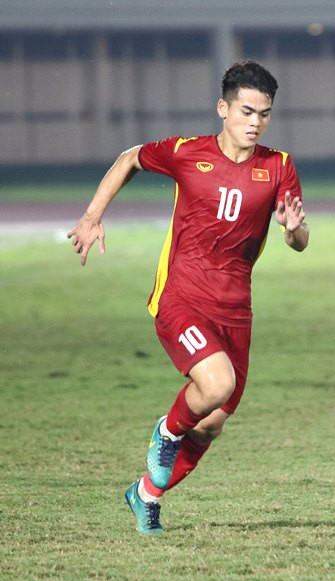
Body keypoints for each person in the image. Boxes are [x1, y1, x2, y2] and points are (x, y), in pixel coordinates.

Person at [67, 60, 309, 533]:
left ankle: (145, 495)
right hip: (180, 298)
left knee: (212, 422)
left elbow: (298, 242)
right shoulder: (186, 152)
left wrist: (294, 230)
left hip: (236, 309)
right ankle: (165, 431)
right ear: (223, 109)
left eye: (264, 113)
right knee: (214, 386)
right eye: (246, 111)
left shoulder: (278, 166)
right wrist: (93, 214)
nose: (255, 122)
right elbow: (129, 158)